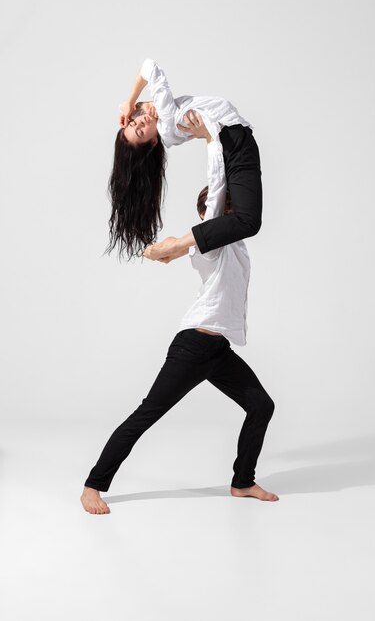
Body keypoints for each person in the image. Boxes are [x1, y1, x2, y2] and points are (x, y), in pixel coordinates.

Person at [81, 122, 277, 515]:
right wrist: (212, 142)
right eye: (215, 211)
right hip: (194, 345)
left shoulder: (235, 243)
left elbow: (234, 209)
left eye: (227, 211)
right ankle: (93, 485)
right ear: (205, 216)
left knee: (261, 405)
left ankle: (242, 482)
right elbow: (217, 197)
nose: (224, 214)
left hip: (217, 348)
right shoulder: (207, 246)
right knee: (147, 413)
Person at [106, 58, 263, 262]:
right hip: (234, 142)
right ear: (153, 142)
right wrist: (132, 100)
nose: (140, 121)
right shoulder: (168, 122)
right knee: (246, 220)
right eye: (140, 131)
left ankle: (182, 246)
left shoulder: (161, 118)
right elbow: (150, 67)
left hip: (232, 141)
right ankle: (180, 245)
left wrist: (140, 104)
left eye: (134, 121)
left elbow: (150, 104)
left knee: (239, 219)